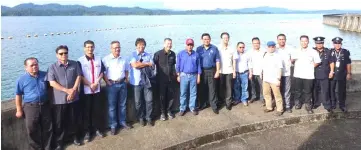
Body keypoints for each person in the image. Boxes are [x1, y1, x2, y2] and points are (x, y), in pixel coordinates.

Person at [46, 45, 83, 149]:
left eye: (65, 53)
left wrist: (74, 90)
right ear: (57, 55)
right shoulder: (52, 67)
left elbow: (78, 76)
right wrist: (67, 91)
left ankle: (75, 138)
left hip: (74, 98)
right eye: (61, 53)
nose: (63, 55)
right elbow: (52, 83)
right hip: (59, 100)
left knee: (74, 119)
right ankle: (60, 143)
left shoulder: (74, 64)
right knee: (59, 122)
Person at [15, 57, 53, 150]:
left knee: (48, 128)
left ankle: (48, 148)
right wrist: (19, 110)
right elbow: (18, 95)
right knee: (32, 130)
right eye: (31, 65)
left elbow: (51, 88)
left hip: (45, 105)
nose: (34, 67)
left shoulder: (45, 75)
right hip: (30, 107)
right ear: (26, 67)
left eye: (36, 64)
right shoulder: (21, 80)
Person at [103, 41, 132, 135]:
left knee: (122, 105)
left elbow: (127, 69)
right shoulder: (106, 59)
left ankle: (122, 122)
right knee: (112, 106)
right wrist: (107, 82)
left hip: (122, 83)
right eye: (115, 48)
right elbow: (103, 73)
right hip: (112, 85)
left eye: (118, 47)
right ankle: (113, 125)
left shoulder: (124, 59)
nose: (117, 49)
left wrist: (126, 79)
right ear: (111, 49)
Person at [78, 40, 105, 141]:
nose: (90, 49)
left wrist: (96, 82)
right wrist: (90, 84)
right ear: (84, 48)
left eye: (91, 47)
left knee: (97, 111)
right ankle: (87, 132)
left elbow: (102, 72)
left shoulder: (98, 59)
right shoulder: (80, 61)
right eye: (88, 47)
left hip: (97, 90)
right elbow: (80, 75)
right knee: (86, 112)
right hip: (86, 91)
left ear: (94, 48)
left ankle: (97, 129)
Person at [292, 35, 321, 114]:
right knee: (298, 90)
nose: (304, 43)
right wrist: (292, 60)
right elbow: (292, 60)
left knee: (308, 91)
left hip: (309, 75)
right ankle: (298, 103)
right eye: (302, 41)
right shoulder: (296, 50)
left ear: (308, 42)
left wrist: (311, 67)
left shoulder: (313, 51)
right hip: (298, 74)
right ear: (300, 42)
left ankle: (308, 105)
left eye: (305, 41)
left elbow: (318, 61)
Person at [129, 38, 155, 126]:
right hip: (137, 82)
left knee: (149, 100)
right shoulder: (132, 55)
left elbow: (152, 65)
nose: (141, 46)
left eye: (143, 45)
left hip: (147, 81)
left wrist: (144, 64)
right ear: (136, 46)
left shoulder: (148, 55)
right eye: (139, 45)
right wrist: (146, 63)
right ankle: (141, 117)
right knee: (138, 102)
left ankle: (149, 117)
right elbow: (135, 65)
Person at [196, 33, 220, 114]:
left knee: (212, 88)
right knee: (202, 88)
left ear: (210, 39)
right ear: (202, 40)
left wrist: (217, 71)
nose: (206, 40)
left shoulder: (214, 48)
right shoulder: (198, 49)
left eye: (207, 39)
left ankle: (214, 105)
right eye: (204, 39)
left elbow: (217, 60)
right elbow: (197, 62)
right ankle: (203, 104)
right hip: (202, 71)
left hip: (212, 70)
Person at [176, 38, 201, 116]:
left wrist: (199, 76)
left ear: (193, 46)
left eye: (191, 45)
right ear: (186, 45)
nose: (190, 46)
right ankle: (182, 108)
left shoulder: (196, 54)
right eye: (188, 45)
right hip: (183, 75)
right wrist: (178, 75)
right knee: (183, 93)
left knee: (193, 93)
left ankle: (192, 107)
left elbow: (199, 66)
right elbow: (178, 65)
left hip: (193, 76)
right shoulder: (181, 54)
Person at [153, 38, 177, 120]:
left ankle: (169, 111)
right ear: (164, 44)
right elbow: (152, 66)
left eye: (170, 43)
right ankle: (162, 113)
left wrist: (175, 75)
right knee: (161, 97)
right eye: (167, 43)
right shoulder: (158, 54)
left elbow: (173, 66)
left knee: (171, 97)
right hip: (161, 80)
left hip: (171, 79)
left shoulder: (173, 54)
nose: (169, 45)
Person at [312, 37, 334, 113]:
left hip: (325, 74)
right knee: (315, 91)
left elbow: (331, 62)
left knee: (325, 91)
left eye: (321, 43)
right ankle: (316, 103)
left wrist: (331, 71)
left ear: (323, 43)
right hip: (314, 74)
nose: (319, 44)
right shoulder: (312, 51)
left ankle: (327, 105)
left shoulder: (328, 51)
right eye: (317, 43)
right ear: (315, 44)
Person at [330, 37, 352, 112]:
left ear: (341, 44)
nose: (337, 45)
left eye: (339, 43)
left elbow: (348, 63)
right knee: (331, 89)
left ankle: (342, 105)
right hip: (332, 74)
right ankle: (333, 104)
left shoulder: (345, 52)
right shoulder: (330, 51)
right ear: (333, 44)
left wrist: (349, 73)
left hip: (342, 74)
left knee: (342, 90)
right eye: (336, 43)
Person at [262, 41, 284, 116]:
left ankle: (280, 109)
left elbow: (280, 68)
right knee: (266, 94)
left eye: (272, 47)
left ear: (274, 47)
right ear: (267, 47)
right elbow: (263, 66)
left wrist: (279, 79)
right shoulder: (265, 55)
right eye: (269, 47)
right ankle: (269, 107)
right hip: (266, 79)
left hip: (274, 79)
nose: (271, 48)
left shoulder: (278, 56)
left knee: (277, 95)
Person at [276, 34, 293, 113]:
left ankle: (288, 106)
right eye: (280, 39)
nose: (281, 41)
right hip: (276, 74)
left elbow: (293, 58)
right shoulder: (274, 48)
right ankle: (279, 105)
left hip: (287, 73)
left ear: (285, 40)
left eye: (283, 39)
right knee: (277, 90)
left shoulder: (290, 48)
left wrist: (291, 61)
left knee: (287, 90)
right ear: (277, 40)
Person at [218, 32, 235, 110]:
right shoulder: (218, 48)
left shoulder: (232, 48)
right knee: (221, 88)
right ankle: (222, 101)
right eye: (224, 38)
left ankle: (228, 103)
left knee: (229, 88)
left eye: (227, 38)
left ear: (229, 39)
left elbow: (234, 61)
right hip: (220, 71)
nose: (225, 39)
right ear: (221, 39)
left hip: (229, 71)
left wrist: (234, 71)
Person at [232, 42, 252, 106]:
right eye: (240, 47)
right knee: (236, 87)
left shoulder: (247, 54)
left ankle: (244, 99)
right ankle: (237, 99)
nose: (241, 48)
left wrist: (250, 73)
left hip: (245, 73)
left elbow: (249, 64)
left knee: (245, 87)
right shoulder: (235, 54)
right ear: (237, 47)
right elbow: (233, 63)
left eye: (243, 47)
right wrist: (234, 72)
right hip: (237, 73)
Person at [249, 37, 266, 105]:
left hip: (261, 72)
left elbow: (265, 62)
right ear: (252, 44)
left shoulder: (264, 51)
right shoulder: (250, 52)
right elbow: (249, 62)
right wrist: (250, 72)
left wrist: (263, 71)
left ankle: (262, 98)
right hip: (252, 71)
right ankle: (254, 96)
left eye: (257, 43)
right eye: (254, 43)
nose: (256, 45)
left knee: (262, 86)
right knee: (252, 85)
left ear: (260, 43)